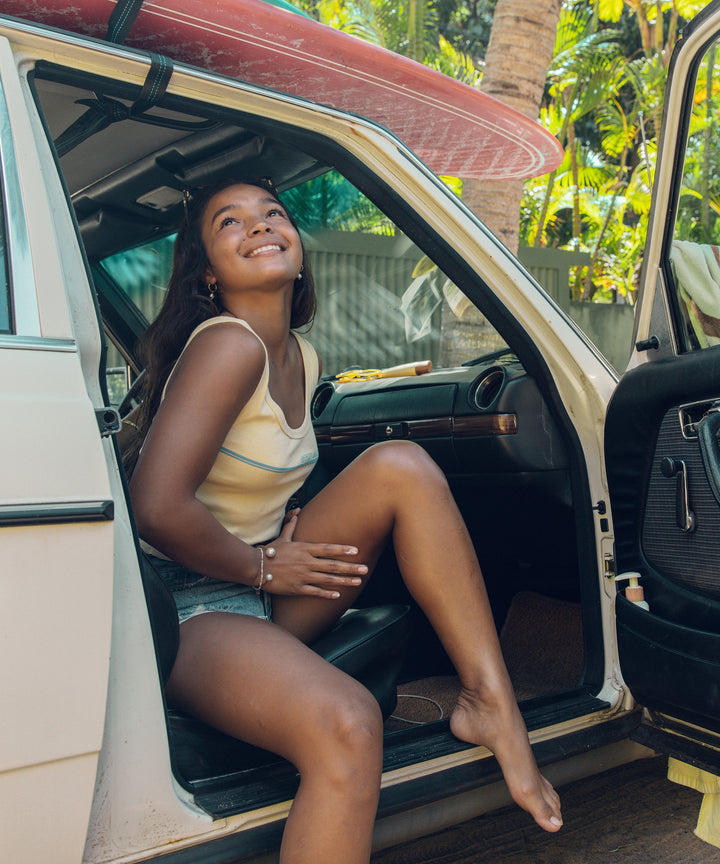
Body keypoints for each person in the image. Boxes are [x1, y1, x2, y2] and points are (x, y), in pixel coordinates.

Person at [128, 178, 563, 864]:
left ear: (299, 250)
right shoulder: (226, 345)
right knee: (349, 724)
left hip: (258, 587)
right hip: (187, 608)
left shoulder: (303, 356)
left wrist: (272, 551)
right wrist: (262, 564)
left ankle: (491, 702)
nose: (261, 226)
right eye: (230, 223)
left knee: (403, 465)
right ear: (207, 274)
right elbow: (154, 507)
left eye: (274, 214)